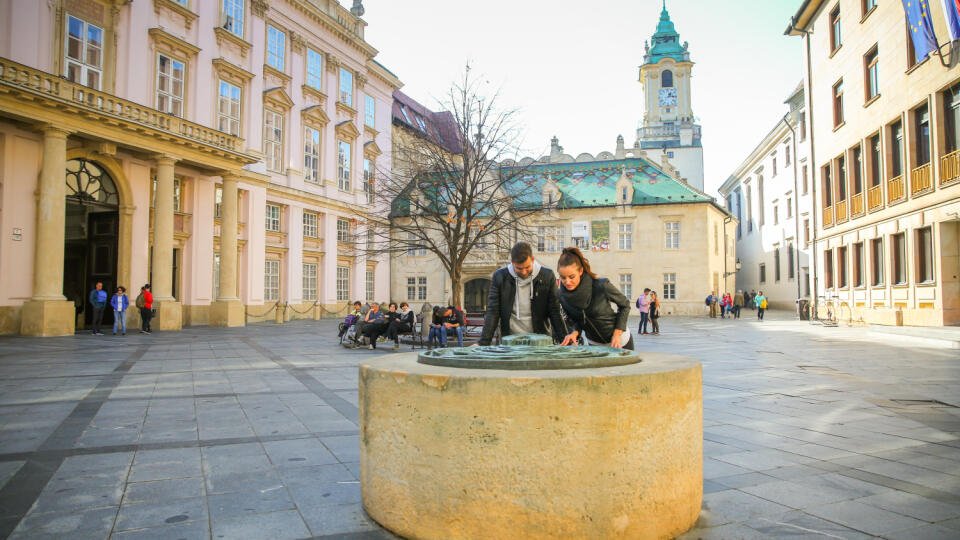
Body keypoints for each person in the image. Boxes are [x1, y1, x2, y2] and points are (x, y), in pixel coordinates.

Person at [479, 242, 567, 345]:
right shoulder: (500, 277)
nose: (524, 272)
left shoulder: (547, 276)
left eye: (527, 267)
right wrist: (483, 343)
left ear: (533, 259)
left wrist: (565, 341)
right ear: (512, 263)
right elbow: (493, 312)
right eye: (519, 268)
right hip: (509, 341)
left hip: (540, 341)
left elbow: (555, 311)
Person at [556, 247, 633, 350]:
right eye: (563, 277)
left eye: (571, 277)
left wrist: (617, 333)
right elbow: (576, 320)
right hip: (594, 345)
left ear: (580, 271)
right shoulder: (562, 296)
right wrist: (574, 333)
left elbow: (625, 305)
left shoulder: (600, 285)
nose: (567, 282)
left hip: (620, 341)